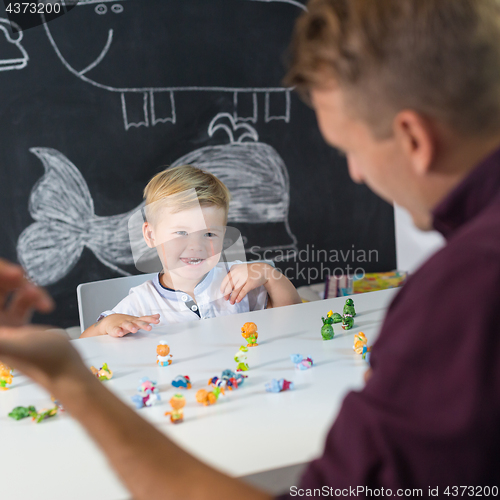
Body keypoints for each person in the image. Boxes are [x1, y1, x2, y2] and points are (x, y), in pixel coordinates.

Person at [1, 0, 500, 497]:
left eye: (349, 149)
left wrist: (69, 381)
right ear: (150, 235)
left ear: (413, 137)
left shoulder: (457, 292)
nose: (355, 174)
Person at [81, 165, 301, 338]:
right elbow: (86, 344)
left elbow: (292, 315)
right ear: (151, 236)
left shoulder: (238, 281)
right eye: (181, 232)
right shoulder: (141, 302)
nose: (196, 246)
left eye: (208, 234)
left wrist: (270, 276)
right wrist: (106, 326)